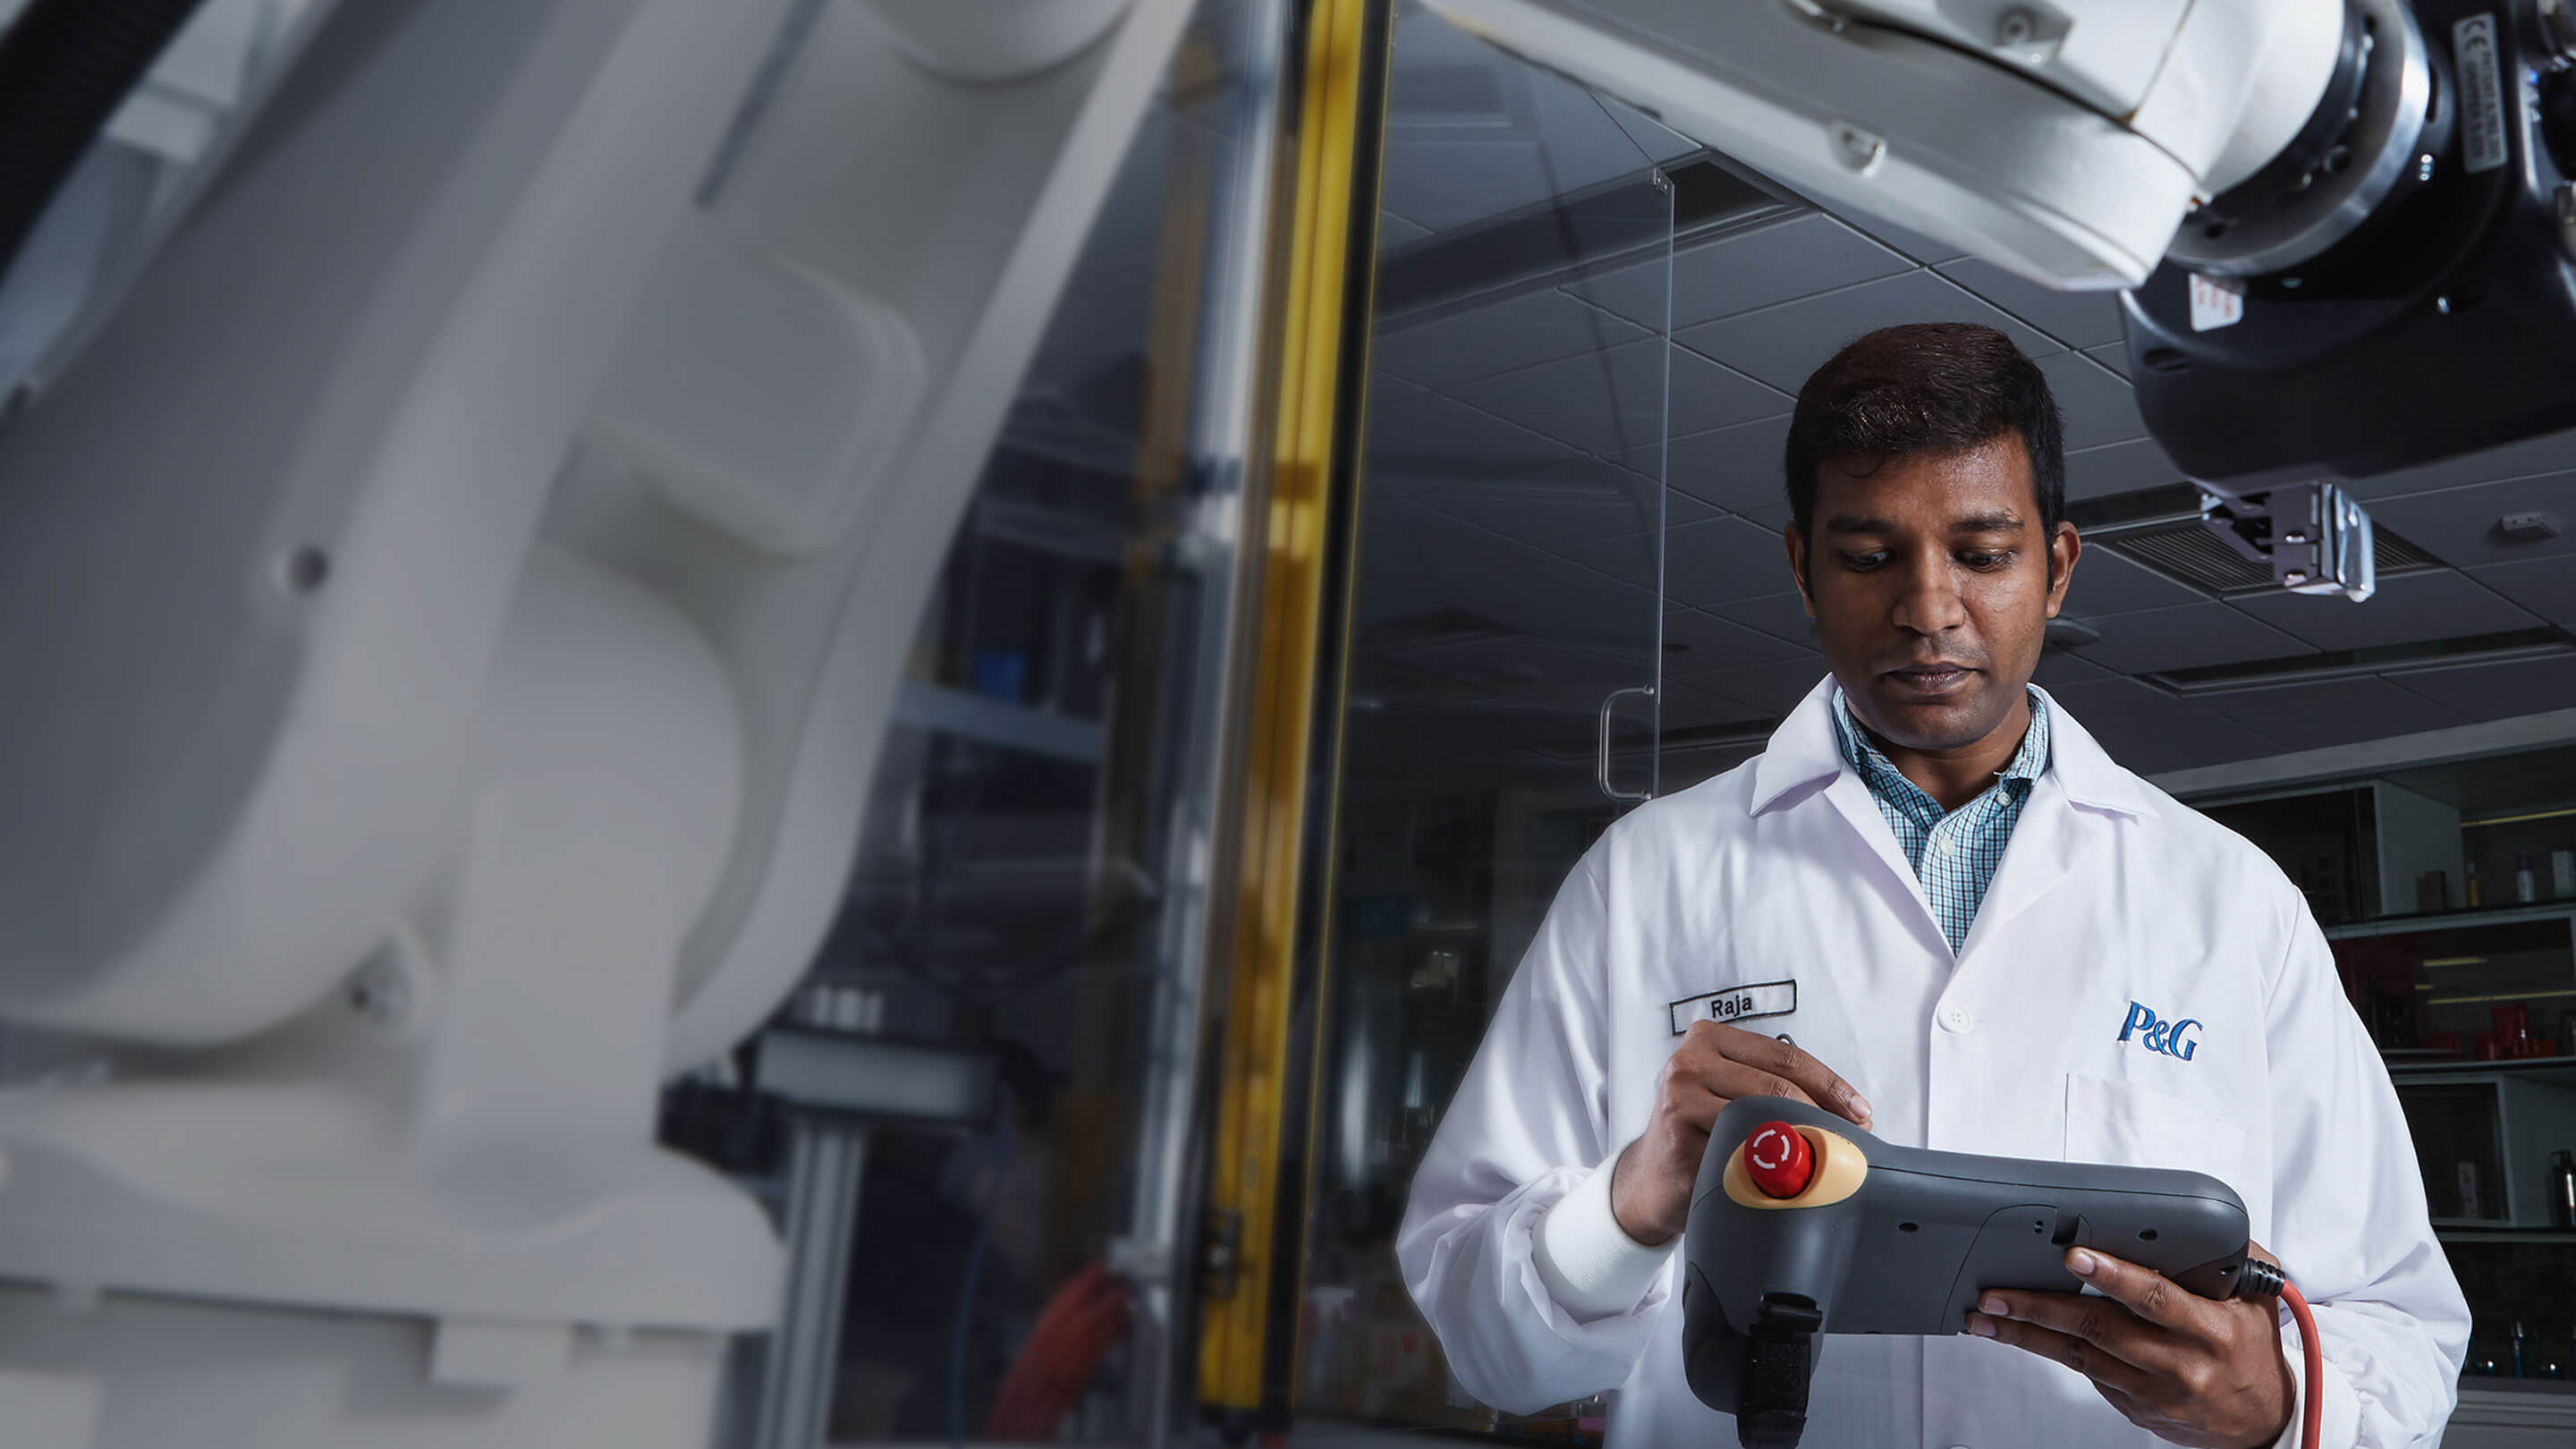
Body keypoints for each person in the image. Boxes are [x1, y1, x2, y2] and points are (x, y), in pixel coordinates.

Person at [1395, 323, 2467, 1448]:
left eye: (1982, 553)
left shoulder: (2230, 905)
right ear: (1804, 569)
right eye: (1870, 558)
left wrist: (2281, 1400)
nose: (1928, 608)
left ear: (2056, 568)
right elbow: (1476, 1334)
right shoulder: (1646, 880)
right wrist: (1632, 1199)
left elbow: (2400, 1321)